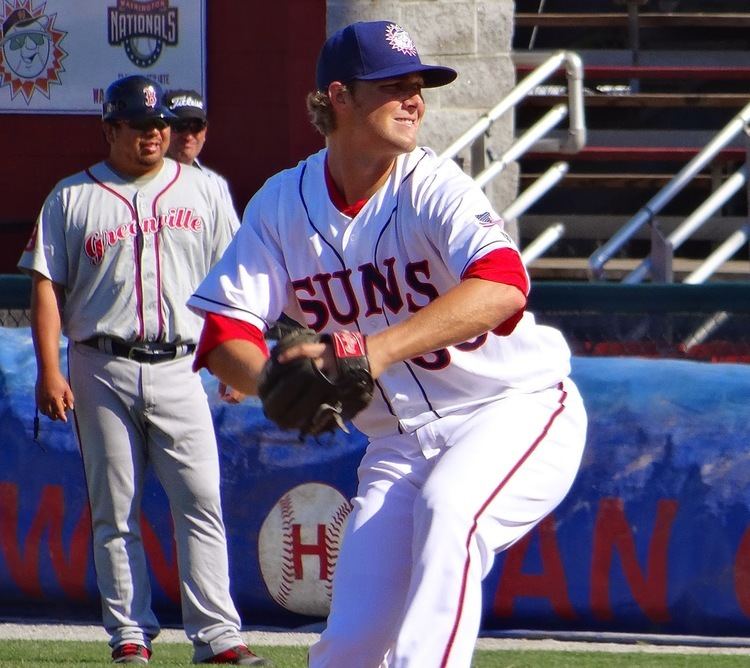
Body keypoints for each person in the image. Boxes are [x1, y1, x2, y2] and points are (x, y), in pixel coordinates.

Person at [188, 20, 588, 668]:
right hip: (399, 442)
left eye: (418, 86)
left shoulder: (431, 185)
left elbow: (504, 285)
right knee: (350, 644)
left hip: (512, 409)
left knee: (450, 509)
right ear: (339, 97)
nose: (415, 100)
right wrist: (271, 382)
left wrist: (368, 352)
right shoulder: (282, 206)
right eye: (394, 86)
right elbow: (223, 334)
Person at [18, 75, 271, 667]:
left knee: (201, 500)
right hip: (100, 363)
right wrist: (49, 369)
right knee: (115, 508)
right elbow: (46, 285)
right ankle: (129, 632)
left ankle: (217, 637)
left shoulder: (205, 193)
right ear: (111, 129)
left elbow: (233, 284)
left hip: (182, 366)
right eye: (139, 124)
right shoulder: (71, 196)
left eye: (160, 125)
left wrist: (236, 358)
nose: (154, 134)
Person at [163, 89, 239, 220]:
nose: (188, 136)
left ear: (205, 131)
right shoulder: (145, 179)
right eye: (180, 126)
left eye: (196, 127)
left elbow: (231, 237)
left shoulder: (215, 183)